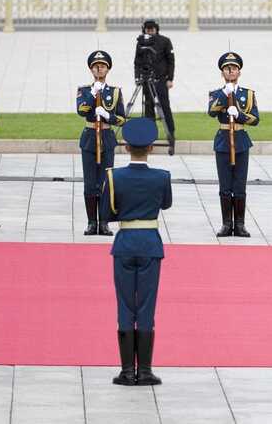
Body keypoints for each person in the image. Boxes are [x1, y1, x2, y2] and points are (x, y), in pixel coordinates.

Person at [99, 118, 172, 386]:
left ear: (126, 147)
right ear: (151, 148)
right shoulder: (162, 177)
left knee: (125, 305)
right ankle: (146, 371)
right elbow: (166, 203)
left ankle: (128, 370)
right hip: (150, 243)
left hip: (126, 242)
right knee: (146, 305)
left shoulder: (114, 177)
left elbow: (106, 213)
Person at [208, 51, 260, 237]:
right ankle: (226, 223)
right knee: (225, 184)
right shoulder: (216, 94)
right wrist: (225, 94)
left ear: (239, 72)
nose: (231, 71)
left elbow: (255, 119)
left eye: (234, 68)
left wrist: (239, 114)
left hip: (240, 140)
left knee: (239, 184)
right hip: (223, 140)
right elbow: (212, 111)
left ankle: (239, 224)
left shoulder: (248, 94)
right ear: (222, 73)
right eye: (227, 69)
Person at [77, 50, 127, 236]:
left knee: (106, 182)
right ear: (91, 70)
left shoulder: (115, 92)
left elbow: (122, 119)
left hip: (106, 137)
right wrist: (93, 94)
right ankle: (92, 223)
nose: (100, 68)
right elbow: (81, 111)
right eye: (96, 66)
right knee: (90, 183)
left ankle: (104, 222)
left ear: (108, 69)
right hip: (90, 137)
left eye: (103, 66)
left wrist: (108, 116)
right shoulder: (84, 90)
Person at [135, 19, 176, 153]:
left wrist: (170, 78)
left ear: (156, 29)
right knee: (148, 109)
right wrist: (137, 77)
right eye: (148, 29)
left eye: (152, 29)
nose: (150, 32)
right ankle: (149, 136)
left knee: (165, 108)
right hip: (146, 81)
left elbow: (171, 61)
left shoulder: (165, 41)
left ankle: (171, 134)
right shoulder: (141, 42)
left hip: (160, 81)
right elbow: (137, 61)